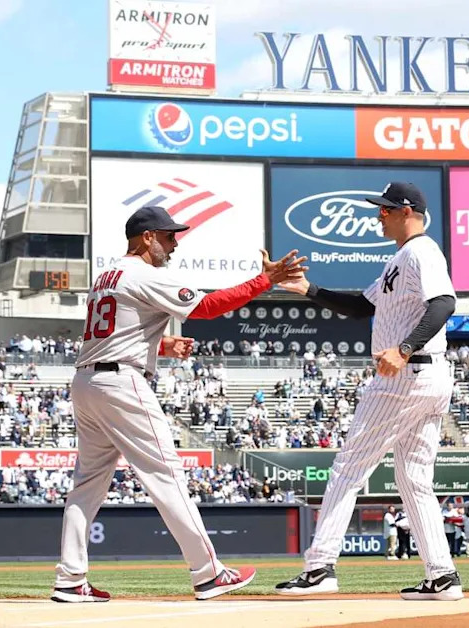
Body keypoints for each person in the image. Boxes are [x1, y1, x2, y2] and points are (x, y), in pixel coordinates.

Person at [52, 206, 305, 602]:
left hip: (87, 380)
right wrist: (263, 280)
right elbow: (206, 307)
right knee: (166, 474)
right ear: (146, 237)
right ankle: (208, 573)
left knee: (85, 486)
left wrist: (161, 345)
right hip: (120, 383)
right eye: (168, 235)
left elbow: (116, 328)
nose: (174, 242)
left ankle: (69, 580)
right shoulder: (143, 273)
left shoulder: (106, 275)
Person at [275, 182, 463, 601]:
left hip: (406, 374)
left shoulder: (421, 251)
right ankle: (442, 575)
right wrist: (311, 290)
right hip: (426, 377)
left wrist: (404, 348)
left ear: (407, 211)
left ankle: (320, 566)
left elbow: (445, 303)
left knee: (347, 468)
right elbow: (363, 306)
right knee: (414, 478)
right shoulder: (400, 258)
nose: (378, 215)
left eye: (385, 209)